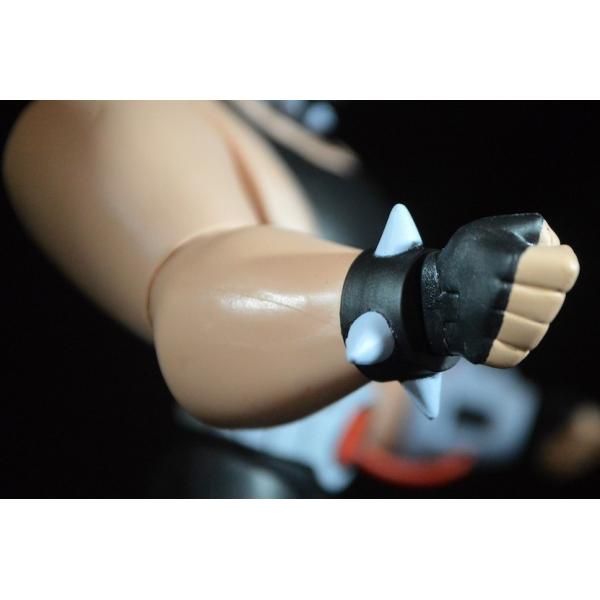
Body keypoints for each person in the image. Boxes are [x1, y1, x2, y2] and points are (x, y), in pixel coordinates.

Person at [2, 101, 585, 496]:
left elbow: (380, 397)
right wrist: (417, 301)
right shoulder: (122, 111)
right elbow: (200, 308)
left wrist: (534, 423)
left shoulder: (322, 151)